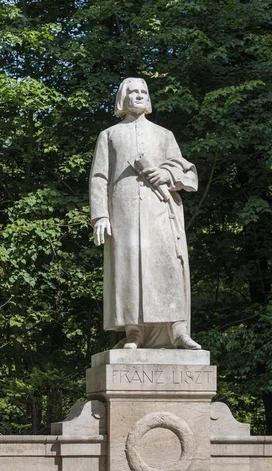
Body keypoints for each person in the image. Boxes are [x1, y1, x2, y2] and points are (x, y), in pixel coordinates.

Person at [89, 77, 201, 350]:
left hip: (161, 211)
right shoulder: (110, 135)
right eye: (133, 92)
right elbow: (99, 177)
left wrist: (164, 173)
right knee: (128, 268)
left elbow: (185, 171)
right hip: (124, 212)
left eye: (143, 92)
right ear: (123, 98)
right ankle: (134, 331)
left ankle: (177, 330)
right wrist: (100, 215)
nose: (139, 95)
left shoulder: (164, 135)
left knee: (167, 265)